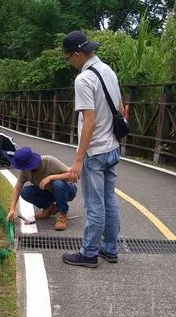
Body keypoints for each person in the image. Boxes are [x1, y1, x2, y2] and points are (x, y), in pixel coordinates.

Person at [61, 30, 122, 267]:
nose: (70, 64)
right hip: (113, 147)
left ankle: (88, 253)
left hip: (95, 151)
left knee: (95, 204)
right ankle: (110, 248)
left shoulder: (84, 79)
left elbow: (89, 120)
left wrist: (78, 159)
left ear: (76, 54)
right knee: (109, 200)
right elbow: (120, 106)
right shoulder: (109, 71)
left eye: (68, 59)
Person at [6, 147, 77, 231]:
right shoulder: (25, 171)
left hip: (67, 190)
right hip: (49, 192)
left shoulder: (49, 161)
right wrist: (12, 209)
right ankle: (50, 208)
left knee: (58, 183)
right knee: (25, 192)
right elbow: (17, 188)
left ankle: (62, 214)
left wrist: (51, 177)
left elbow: (73, 176)